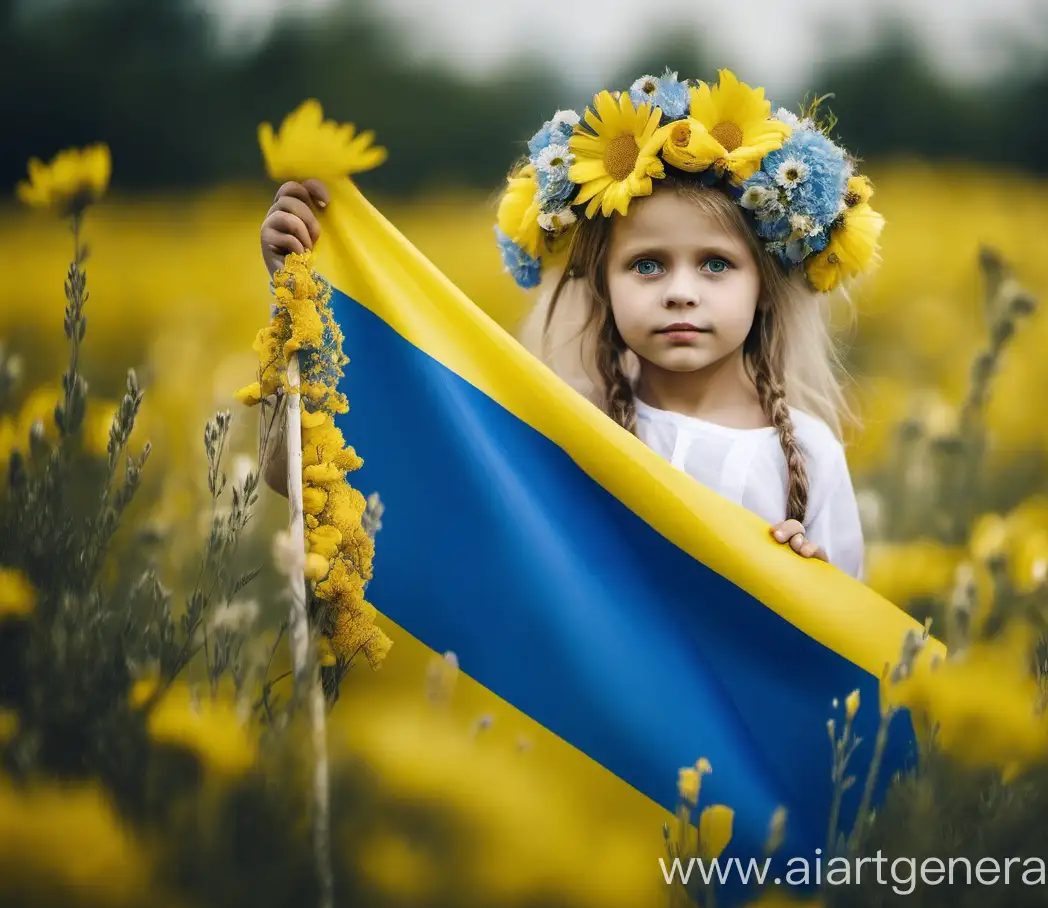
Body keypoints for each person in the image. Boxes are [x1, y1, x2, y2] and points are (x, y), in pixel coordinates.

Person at [258, 68, 884, 581]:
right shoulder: (563, 432)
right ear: (603, 285)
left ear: (765, 288)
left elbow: (841, 666)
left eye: (717, 264)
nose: (681, 293)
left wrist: (812, 582)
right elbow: (322, 478)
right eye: (647, 265)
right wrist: (297, 294)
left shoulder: (808, 454)